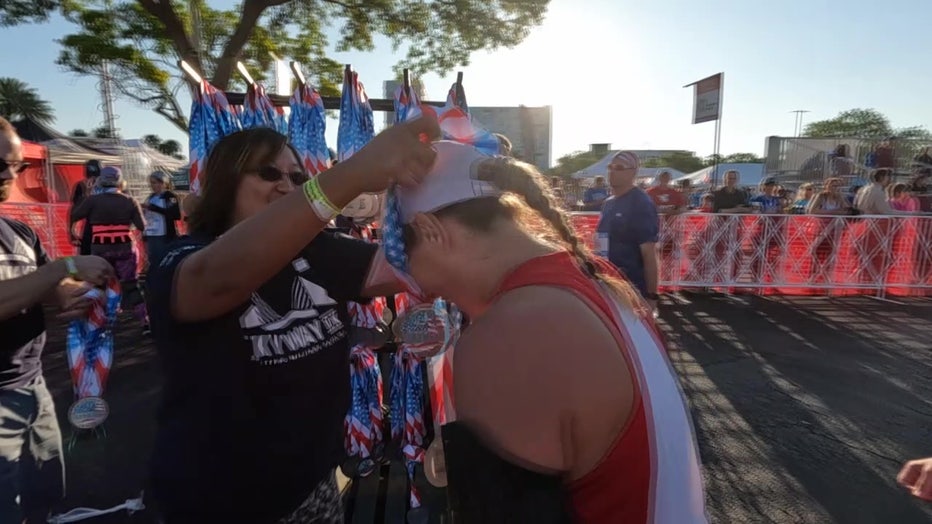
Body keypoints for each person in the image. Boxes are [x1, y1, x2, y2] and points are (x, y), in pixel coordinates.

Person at [393, 141, 707, 523]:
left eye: (402, 258)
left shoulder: (512, 332)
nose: (415, 285)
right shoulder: (595, 277)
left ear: (429, 230)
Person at [146, 117, 439, 523]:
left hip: (312, 485)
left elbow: (411, 268)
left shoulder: (317, 251)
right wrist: (353, 173)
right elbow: (215, 279)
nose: (286, 185)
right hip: (217, 500)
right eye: (269, 173)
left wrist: (457, 191)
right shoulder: (184, 257)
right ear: (225, 180)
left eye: (298, 176)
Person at [0, 116, 114, 523]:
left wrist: (87, 294)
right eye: (0, 164)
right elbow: (46, 276)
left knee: (45, 491)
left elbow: (52, 288)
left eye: (15, 165)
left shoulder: (18, 231)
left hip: (32, 384)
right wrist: (65, 265)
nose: (9, 175)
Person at [69, 167, 148, 330]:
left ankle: (97, 322)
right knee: (131, 286)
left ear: (101, 180)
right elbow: (142, 225)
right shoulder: (129, 200)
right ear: (120, 181)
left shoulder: (93, 200)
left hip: (100, 248)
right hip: (125, 247)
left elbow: (75, 214)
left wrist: (72, 231)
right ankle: (145, 322)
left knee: (98, 285)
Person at [596, 151, 660, 310]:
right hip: (606, 283)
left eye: (619, 167)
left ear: (633, 172)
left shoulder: (641, 203)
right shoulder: (608, 203)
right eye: (610, 167)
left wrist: (651, 296)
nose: (612, 171)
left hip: (631, 287)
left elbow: (649, 254)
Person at [142, 171, 181, 268]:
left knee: (163, 260)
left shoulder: (169, 196)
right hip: (151, 233)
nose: (152, 186)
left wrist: (153, 208)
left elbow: (175, 215)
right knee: (153, 260)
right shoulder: (151, 197)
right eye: (151, 183)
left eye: (154, 182)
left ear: (163, 183)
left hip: (164, 234)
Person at [70, 160, 102, 255]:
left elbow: (75, 211)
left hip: (97, 226)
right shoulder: (82, 185)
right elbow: (75, 210)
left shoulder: (83, 185)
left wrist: (72, 230)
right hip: (99, 226)